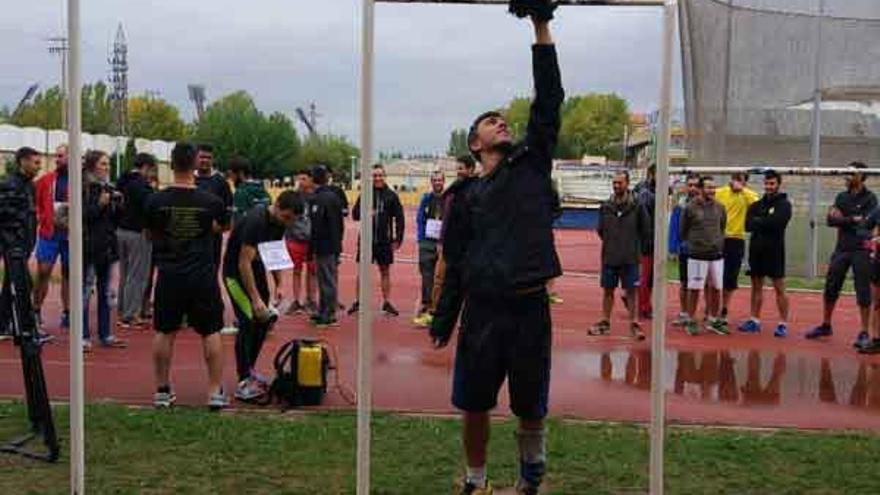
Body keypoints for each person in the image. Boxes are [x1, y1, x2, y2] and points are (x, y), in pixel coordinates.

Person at [430, 12, 563, 494]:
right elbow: (455, 263)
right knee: (474, 403)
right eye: (491, 121)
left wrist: (541, 29)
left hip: (529, 307)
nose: (501, 122)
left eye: (503, 119)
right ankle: (476, 480)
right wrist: (444, 318)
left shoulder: (531, 164)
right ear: (474, 143)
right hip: (483, 312)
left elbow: (548, 102)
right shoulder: (462, 198)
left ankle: (530, 481)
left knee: (531, 407)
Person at [145, 142, 228, 410]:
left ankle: (161, 389)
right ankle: (214, 392)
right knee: (211, 331)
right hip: (201, 274)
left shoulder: (156, 200)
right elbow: (220, 228)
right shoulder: (211, 202)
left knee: (164, 330)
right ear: (195, 164)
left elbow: (149, 234)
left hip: (169, 273)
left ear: (170, 164)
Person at [223, 191, 303, 401]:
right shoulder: (255, 221)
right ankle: (243, 382)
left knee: (264, 322)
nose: (287, 223)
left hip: (256, 271)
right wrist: (256, 299)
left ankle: (249, 371)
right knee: (248, 321)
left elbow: (273, 252)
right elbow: (243, 262)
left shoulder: (280, 223)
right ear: (276, 206)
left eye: (291, 221)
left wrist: (279, 284)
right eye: (286, 217)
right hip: (235, 275)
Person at [807, 162, 878, 349]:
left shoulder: (871, 199)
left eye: (850, 174)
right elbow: (830, 219)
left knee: (863, 290)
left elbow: (865, 223)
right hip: (842, 248)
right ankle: (826, 325)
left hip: (862, 249)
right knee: (831, 286)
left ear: (861, 177)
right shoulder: (841, 196)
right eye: (845, 172)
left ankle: (864, 332)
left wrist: (845, 219)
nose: (846, 177)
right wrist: (851, 219)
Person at [418, 156, 478, 329]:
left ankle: (466, 318)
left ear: (471, 170)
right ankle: (433, 313)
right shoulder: (453, 190)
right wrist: (441, 241)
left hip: (466, 246)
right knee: (439, 279)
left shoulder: (476, 190)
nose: (459, 171)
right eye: (457, 168)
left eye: (462, 168)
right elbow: (446, 219)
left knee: (465, 282)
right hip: (447, 244)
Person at [590, 171, 649, 340]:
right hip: (610, 256)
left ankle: (634, 323)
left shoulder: (637, 205)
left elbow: (645, 230)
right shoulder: (606, 206)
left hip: (630, 257)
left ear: (627, 184)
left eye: (620, 183)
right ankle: (605, 321)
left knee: (631, 291)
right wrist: (612, 242)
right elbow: (601, 230)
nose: (616, 186)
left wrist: (635, 248)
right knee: (608, 290)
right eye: (614, 183)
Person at [739, 170, 792, 337]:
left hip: (775, 251)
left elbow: (777, 223)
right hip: (757, 250)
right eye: (767, 183)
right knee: (756, 286)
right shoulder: (756, 204)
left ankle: (783, 323)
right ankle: (754, 320)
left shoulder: (784, 204)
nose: (769, 187)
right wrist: (764, 222)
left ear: (778, 185)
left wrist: (759, 221)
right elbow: (747, 225)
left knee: (779, 287)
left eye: (772, 184)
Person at [82, 150, 126, 350]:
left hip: (107, 246)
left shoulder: (108, 187)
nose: (107, 168)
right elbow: (82, 216)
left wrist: (118, 205)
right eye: (103, 164)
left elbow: (114, 221)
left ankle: (105, 333)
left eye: (108, 164)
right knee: (85, 291)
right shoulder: (85, 188)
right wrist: (99, 205)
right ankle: (82, 335)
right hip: (90, 246)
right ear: (92, 166)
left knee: (106, 292)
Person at [348, 164, 405, 317]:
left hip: (384, 241)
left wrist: (398, 238)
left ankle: (386, 302)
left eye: (380, 175)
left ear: (384, 176)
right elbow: (354, 215)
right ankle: (359, 301)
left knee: (385, 271)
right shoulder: (365, 194)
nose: (378, 178)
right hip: (366, 240)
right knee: (362, 271)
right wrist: (366, 213)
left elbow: (399, 218)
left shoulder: (391, 196)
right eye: (375, 175)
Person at [0, 148, 42, 343]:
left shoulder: (29, 186)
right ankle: (19, 326)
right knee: (22, 283)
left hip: (24, 245)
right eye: (35, 162)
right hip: (14, 247)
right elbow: (7, 218)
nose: (39, 166)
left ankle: (6, 324)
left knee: (13, 284)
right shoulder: (10, 185)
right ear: (23, 162)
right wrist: (14, 244)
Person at [680, 176, 728, 336]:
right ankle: (691, 320)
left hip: (716, 254)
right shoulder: (690, 208)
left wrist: (718, 243)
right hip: (697, 255)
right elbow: (683, 230)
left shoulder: (720, 207)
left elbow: (722, 228)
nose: (712, 191)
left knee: (716, 288)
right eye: (708, 188)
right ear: (701, 189)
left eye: (714, 188)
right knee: (694, 288)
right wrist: (694, 244)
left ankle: (713, 320)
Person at [116, 152, 157, 329]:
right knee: (138, 274)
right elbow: (150, 208)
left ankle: (123, 309)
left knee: (125, 274)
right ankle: (131, 314)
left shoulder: (122, 181)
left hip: (121, 230)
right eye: (151, 170)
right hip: (138, 232)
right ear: (146, 167)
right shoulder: (142, 186)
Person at [33, 144, 71, 334]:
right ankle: (36, 309)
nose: (57, 159)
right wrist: (42, 217)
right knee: (43, 271)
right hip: (49, 234)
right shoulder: (46, 180)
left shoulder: (81, 181)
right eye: (57, 156)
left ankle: (68, 313)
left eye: (61, 156)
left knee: (69, 275)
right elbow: (35, 203)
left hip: (71, 237)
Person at [714, 172, 759, 321]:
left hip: (736, 240)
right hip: (718, 238)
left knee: (730, 277)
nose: (736, 183)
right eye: (735, 179)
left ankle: (724, 308)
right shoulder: (720, 192)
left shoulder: (748, 195)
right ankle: (710, 310)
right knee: (713, 276)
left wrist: (743, 190)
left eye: (740, 180)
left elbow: (757, 205)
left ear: (745, 183)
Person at [309, 165, 345, 327]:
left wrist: (312, 247)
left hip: (324, 244)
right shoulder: (333, 196)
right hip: (332, 243)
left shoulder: (319, 198)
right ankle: (325, 309)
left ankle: (328, 312)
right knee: (326, 278)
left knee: (326, 279)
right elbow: (340, 224)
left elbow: (316, 225)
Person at [413, 170, 446, 325]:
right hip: (427, 243)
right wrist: (420, 240)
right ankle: (427, 307)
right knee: (427, 277)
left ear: (444, 182)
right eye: (435, 180)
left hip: (443, 244)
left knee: (440, 279)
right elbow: (420, 219)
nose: (437, 182)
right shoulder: (426, 199)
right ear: (431, 182)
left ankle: (438, 310)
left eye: (440, 180)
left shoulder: (449, 199)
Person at [285, 170, 318, 315]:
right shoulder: (293, 197)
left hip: (311, 240)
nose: (301, 182)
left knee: (312, 271)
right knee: (296, 270)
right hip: (294, 239)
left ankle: (311, 299)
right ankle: (296, 300)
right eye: (299, 179)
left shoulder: (316, 197)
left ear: (310, 180)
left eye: (304, 179)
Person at [671, 174, 700, 326]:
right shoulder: (680, 205)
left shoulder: (706, 204)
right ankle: (684, 313)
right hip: (685, 250)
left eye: (696, 185)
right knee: (684, 283)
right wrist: (673, 248)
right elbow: (674, 227)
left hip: (701, 250)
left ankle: (696, 314)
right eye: (690, 185)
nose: (693, 188)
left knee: (699, 284)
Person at [635, 164, 656, 319]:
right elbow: (645, 220)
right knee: (646, 276)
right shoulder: (645, 194)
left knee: (650, 277)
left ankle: (644, 303)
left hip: (653, 238)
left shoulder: (653, 191)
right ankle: (643, 306)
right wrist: (647, 239)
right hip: (648, 241)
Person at [228, 156, 271, 225]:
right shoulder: (262, 190)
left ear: (240, 173)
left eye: (231, 174)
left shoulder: (241, 192)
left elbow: (238, 221)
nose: (231, 178)